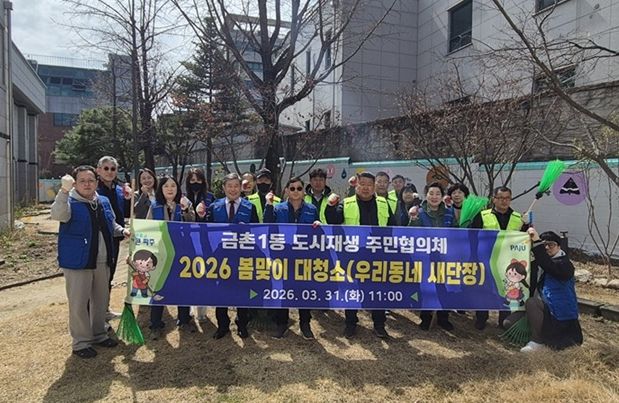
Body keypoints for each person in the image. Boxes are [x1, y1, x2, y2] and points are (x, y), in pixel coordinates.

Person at [51, 166, 129, 358]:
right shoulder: (69, 201)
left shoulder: (102, 201)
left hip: (102, 260)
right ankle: (81, 342)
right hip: (78, 261)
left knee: (100, 300)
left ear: (96, 182)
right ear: (75, 184)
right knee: (79, 303)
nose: (87, 184)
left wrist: (122, 230)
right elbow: (58, 215)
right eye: (82, 181)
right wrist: (63, 191)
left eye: (91, 180)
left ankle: (99, 334)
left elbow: (111, 224)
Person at [325, 171, 396, 339]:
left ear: (374, 187)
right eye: (362, 184)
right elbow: (333, 220)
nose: (365, 188)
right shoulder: (346, 203)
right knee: (352, 290)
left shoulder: (383, 203)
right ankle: (351, 323)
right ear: (356, 185)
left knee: (378, 290)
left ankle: (379, 325)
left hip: (377, 254)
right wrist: (330, 206)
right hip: (352, 255)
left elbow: (393, 226)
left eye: (369, 185)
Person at [264, 177, 321, 340]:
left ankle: (305, 324)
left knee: (304, 290)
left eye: (299, 188)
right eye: (292, 188)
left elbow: (318, 229)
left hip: (304, 257)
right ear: (287, 191)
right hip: (283, 255)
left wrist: (318, 223)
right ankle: (282, 324)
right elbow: (267, 224)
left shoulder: (311, 209)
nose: (296, 191)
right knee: (283, 290)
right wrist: (268, 205)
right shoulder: (278, 208)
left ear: (304, 192)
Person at [208, 173, 260, 339]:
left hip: (242, 257)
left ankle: (242, 324)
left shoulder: (249, 207)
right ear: (224, 188)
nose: (233, 189)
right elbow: (206, 230)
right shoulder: (214, 207)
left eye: (236, 186)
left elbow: (258, 231)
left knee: (242, 291)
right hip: (220, 257)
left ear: (241, 188)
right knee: (220, 292)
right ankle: (222, 325)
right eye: (229, 186)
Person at [470, 186, 529, 330]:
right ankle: (481, 318)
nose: (504, 201)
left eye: (507, 198)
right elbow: (473, 238)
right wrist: (474, 257)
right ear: (494, 199)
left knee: (507, 291)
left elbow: (525, 239)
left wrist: (528, 226)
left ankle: (504, 321)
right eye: (501, 198)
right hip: (486, 260)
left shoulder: (519, 218)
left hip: (509, 263)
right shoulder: (482, 216)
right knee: (484, 289)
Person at [147, 175, 196, 340]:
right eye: (166, 186)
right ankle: (155, 324)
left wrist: (186, 210)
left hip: (181, 253)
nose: (170, 189)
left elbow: (193, 222)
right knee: (159, 287)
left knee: (183, 286)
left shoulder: (185, 204)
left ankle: (184, 320)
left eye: (173, 186)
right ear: (160, 189)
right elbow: (147, 228)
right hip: (160, 254)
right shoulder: (155, 206)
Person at [520, 228, 583, 352]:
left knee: (531, 303)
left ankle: (538, 341)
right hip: (543, 307)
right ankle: (536, 330)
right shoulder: (538, 263)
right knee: (509, 322)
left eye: (551, 245)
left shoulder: (565, 264)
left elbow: (549, 266)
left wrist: (537, 241)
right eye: (544, 245)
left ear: (559, 246)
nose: (547, 248)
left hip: (559, 313)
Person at [408, 182, 457, 331]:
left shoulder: (449, 213)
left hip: (444, 257)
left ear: (442, 196)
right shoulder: (419, 212)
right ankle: (425, 317)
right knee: (426, 287)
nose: (434, 197)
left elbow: (456, 232)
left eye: (438, 194)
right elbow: (411, 234)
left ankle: (443, 317)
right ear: (426, 195)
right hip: (425, 257)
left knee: (445, 287)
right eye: (431, 193)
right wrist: (413, 220)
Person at [96, 156, 131, 318]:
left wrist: (129, 199)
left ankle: (105, 308)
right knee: (99, 276)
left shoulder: (119, 190)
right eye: (106, 168)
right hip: (99, 238)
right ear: (98, 170)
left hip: (116, 237)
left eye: (113, 169)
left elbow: (126, 211)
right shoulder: (94, 189)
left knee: (110, 273)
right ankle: (96, 312)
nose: (109, 172)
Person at [185, 168, 216, 321]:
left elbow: (214, 218)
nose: (195, 183)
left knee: (203, 273)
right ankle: (190, 306)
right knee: (189, 274)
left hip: (205, 241)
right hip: (188, 240)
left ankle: (202, 310)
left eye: (198, 180)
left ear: (203, 181)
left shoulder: (210, 197)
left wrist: (204, 216)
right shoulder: (184, 197)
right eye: (192, 180)